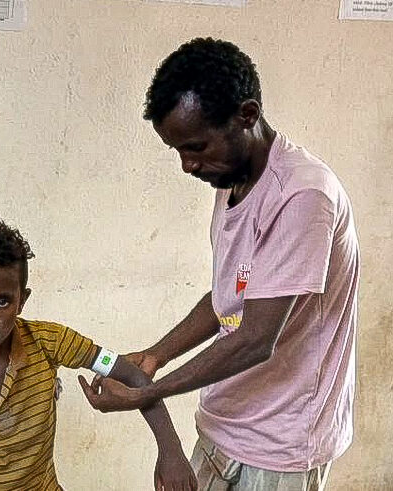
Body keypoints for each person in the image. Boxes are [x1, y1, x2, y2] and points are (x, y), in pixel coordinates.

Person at [78, 38, 359, 491]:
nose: (187, 165)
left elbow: (255, 339)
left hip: (282, 446)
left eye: (196, 147)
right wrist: (155, 356)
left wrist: (147, 392)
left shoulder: (302, 195)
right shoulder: (232, 179)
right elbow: (229, 298)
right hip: (225, 420)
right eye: (177, 150)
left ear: (246, 115)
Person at [0, 219, 197, 491]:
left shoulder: (50, 341)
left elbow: (131, 374)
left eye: (3, 301)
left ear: (22, 300)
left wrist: (170, 449)